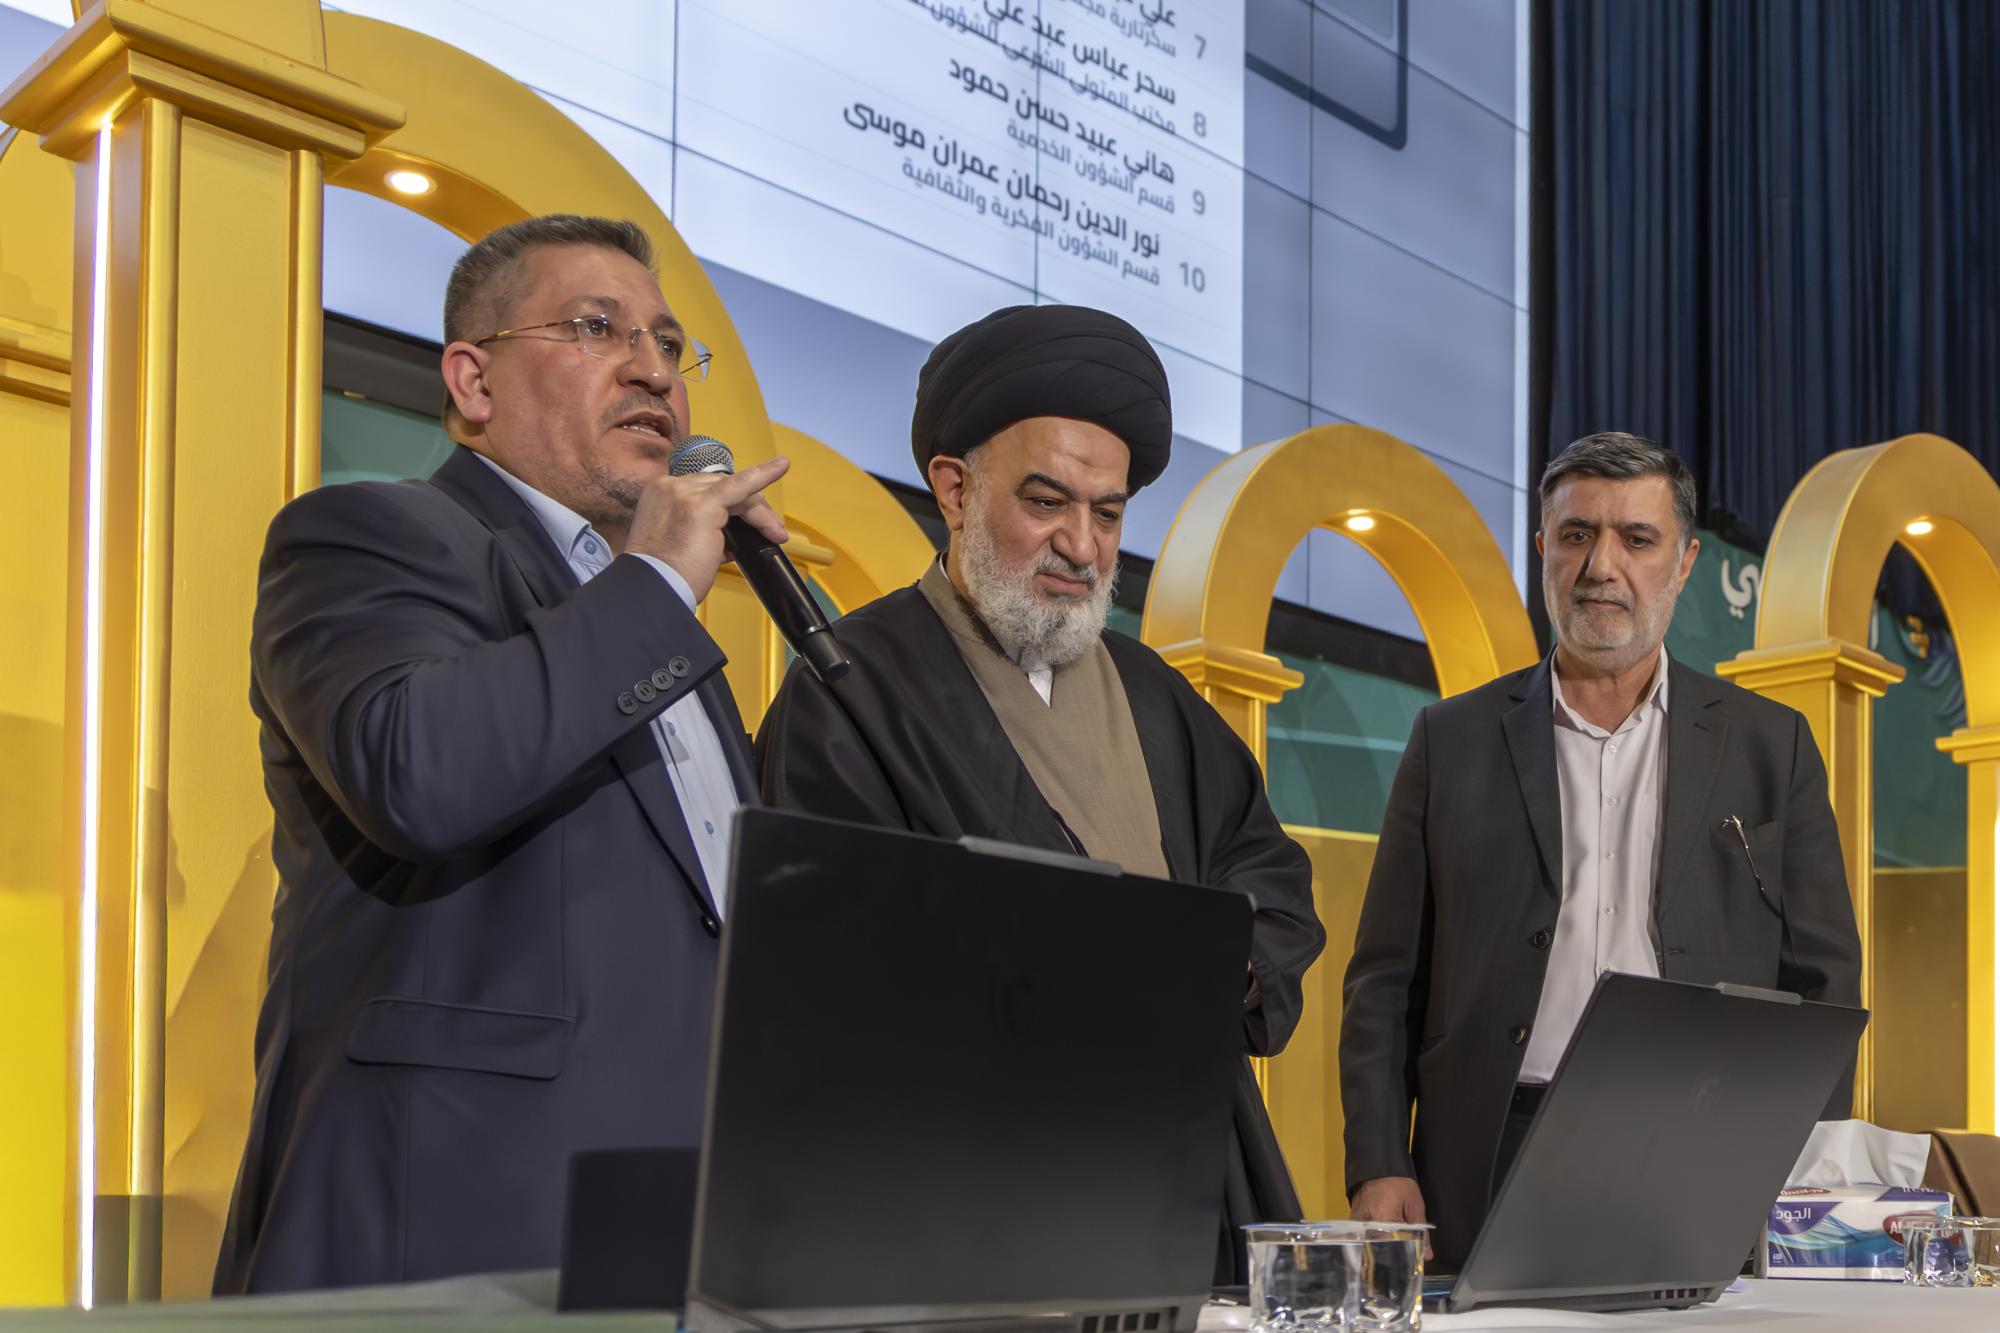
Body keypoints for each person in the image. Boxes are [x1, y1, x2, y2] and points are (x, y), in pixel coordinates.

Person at [214, 215, 788, 1293]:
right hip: (453, 1232)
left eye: (670, 344)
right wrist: (656, 583)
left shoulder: (666, 634)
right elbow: (418, 773)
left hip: (676, 1233)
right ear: (472, 381)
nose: (653, 371)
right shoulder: (368, 535)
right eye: (597, 328)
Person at [755, 303, 1327, 1282]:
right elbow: (833, 958)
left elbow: (1263, 868)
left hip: (1180, 1165)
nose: (1081, 545)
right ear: (953, 488)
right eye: (1046, 501)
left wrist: (1220, 966)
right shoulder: (852, 687)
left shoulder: (1155, 695)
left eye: (1106, 514)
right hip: (971, 1189)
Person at [1339, 432, 1864, 1266]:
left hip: (1706, 1148)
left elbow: (1825, 984)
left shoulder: (1774, 746)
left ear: (1685, 563)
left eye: (1637, 538)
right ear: (1543, 549)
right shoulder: (1450, 741)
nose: (1601, 566)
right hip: (1490, 1151)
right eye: (1577, 534)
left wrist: (1798, 1169)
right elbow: (1383, 982)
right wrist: (1377, 1160)